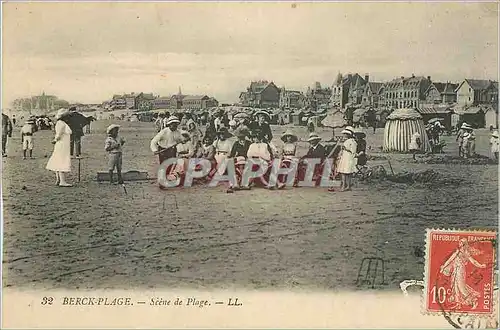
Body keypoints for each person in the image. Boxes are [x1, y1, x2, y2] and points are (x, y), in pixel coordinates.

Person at [46, 108, 73, 187]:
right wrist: (55, 140)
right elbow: (59, 134)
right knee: (62, 160)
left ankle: (58, 179)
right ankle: (62, 181)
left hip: (62, 144)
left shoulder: (60, 123)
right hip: (62, 144)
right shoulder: (61, 123)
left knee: (58, 159)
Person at [336, 127, 357, 192]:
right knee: (345, 172)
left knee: (346, 172)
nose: (344, 135)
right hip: (345, 156)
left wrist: (345, 148)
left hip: (348, 157)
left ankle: (345, 186)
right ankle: (347, 186)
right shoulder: (347, 141)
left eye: (345, 134)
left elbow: (353, 151)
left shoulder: (352, 142)